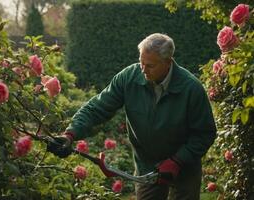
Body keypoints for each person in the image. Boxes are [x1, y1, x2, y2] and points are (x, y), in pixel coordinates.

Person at [47, 33, 216, 200]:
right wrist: (70, 134)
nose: (143, 69)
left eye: (150, 65)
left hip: (184, 168)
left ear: (167, 62)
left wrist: (178, 161)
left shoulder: (191, 89)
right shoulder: (128, 78)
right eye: (141, 62)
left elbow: (204, 133)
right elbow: (97, 108)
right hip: (147, 167)